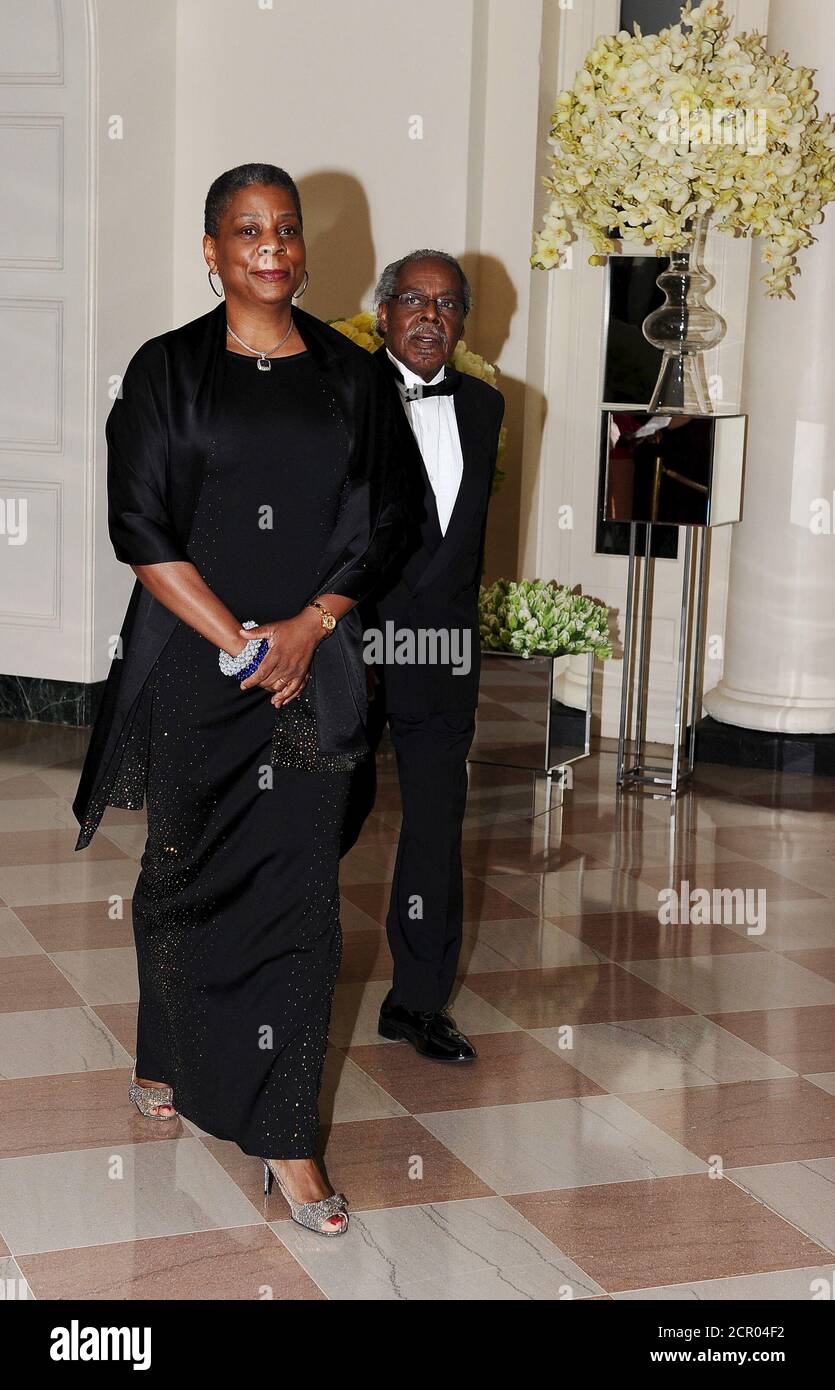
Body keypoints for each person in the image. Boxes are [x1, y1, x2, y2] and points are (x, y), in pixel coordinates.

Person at [72, 163, 403, 1236]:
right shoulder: (166, 371)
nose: (272, 244)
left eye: (286, 228)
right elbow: (141, 527)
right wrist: (239, 643)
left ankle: (287, 1142)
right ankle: (166, 1046)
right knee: (180, 868)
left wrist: (306, 627)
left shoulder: (353, 378)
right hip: (195, 664)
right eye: (245, 229)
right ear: (209, 251)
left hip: (312, 660)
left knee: (302, 893)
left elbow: (381, 523)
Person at [358, 250, 505, 1061]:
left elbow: (465, 541)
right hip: (350, 641)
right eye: (412, 299)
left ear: (462, 323)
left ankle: (417, 1002)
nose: (428, 315)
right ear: (382, 313)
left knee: (435, 830)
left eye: (447, 304)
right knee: (323, 821)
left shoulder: (484, 406)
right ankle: (271, 982)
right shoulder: (342, 395)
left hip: (441, 652)